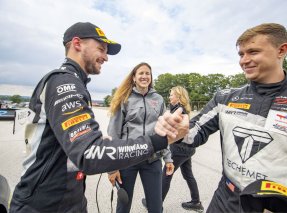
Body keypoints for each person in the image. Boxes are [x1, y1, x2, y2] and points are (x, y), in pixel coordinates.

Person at [9, 22, 188, 213]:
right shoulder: (64, 83)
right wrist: (161, 140)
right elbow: (90, 153)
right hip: (43, 203)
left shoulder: (76, 83)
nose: (105, 57)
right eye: (101, 49)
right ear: (77, 44)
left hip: (71, 196)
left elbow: (76, 143)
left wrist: (94, 140)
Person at [155, 23, 287, 212]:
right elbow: (195, 131)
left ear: (281, 50)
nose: (244, 60)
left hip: (284, 206)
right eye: (241, 54)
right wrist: (179, 131)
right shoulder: (225, 97)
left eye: (253, 52)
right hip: (226, 200)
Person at [107, 62, 174, 213]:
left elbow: (164, 130)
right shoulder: (124, 98)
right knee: (124, 204)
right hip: (128, 159)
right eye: (141, 73)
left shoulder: (158, 99)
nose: (144, 76)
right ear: (134, 78)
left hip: (153, 158)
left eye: (147, 73)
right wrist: (112, 168)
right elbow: (113, 133)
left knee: (156, 206)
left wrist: (168, 158)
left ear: (151, 77)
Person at [161, 86, 204, 211]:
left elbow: (172, 131)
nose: (169, 97)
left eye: (171, 95)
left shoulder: (179, 111)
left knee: (166, 175)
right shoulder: (181, 109)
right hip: (188, 149)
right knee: (188, 175)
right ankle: (196, 202)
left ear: (179, 97)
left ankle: (156, 203)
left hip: (179, 149)